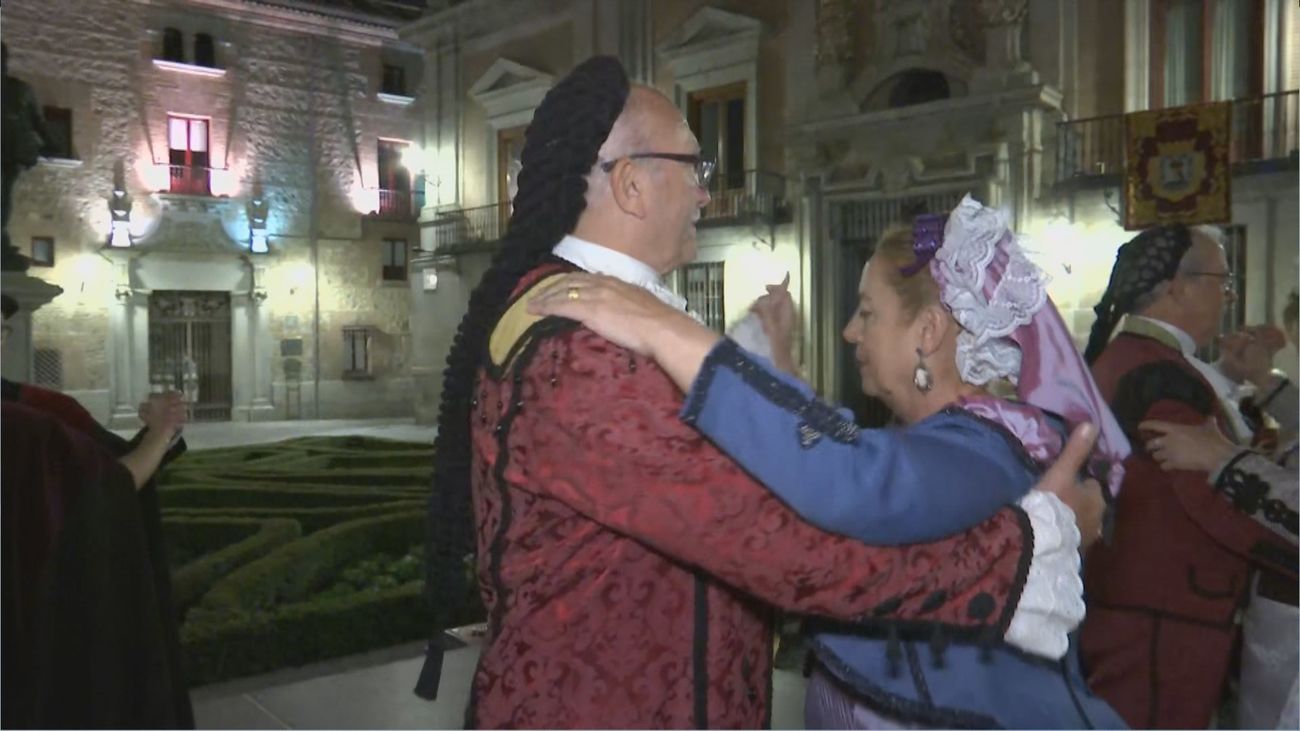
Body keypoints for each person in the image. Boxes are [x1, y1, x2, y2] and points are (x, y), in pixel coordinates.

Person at [418, 56, 1101, 728]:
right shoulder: (581, 348)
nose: (709, 193)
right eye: (696, 167)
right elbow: (783, 543)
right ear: (630, 184)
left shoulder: (603, 320)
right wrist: (1017, 556)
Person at [530, 196, 1130, 728]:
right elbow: (852, 446)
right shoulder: (958, 438)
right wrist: (782, 365)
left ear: (927, 330)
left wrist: (669, 332)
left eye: (866, 312)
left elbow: (860, 480)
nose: (848, 332)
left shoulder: (985, 449)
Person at [1078, 224, 1297, 728]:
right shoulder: (1160, 375)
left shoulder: (1135, 359)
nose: (1228, 297)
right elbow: (1207, 500)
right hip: (1166, 611)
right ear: (1178, 286)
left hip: (1143, 602)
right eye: (1222, 282)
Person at [0, 294, 193, 728]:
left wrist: (156, 437)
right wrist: (161, 433)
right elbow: (108, 487)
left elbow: (102, 461)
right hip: (42, 625)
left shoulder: (42, 411)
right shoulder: (26, 424)